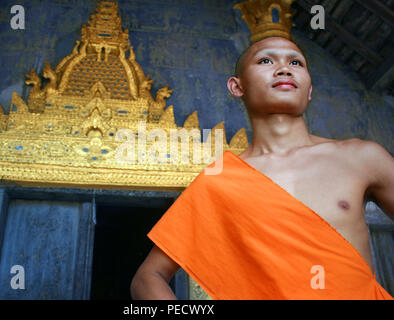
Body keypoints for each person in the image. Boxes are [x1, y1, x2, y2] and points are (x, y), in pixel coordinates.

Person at [130, 36, 394, 300]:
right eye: (266, 60)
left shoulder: (361, 158)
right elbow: (148, 277)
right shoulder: (220, 180)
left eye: (296, 62)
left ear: (309, 88)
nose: (284, 68)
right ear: (237, 86)